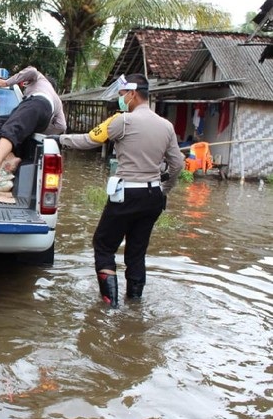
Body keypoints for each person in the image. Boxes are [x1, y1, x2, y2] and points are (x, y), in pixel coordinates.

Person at [54, 73, 184, 307]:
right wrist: (164, 190)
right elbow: (177, 165)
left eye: (122, 94)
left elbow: (88, 140)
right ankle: (134, 306)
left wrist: (59, 139)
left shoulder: (122, 121)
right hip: (153, 196)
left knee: (103, 246)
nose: (120, 99)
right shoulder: (166, 126)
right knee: (136, 252)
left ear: (133, 93)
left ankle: (110, 306)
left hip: (126, 195)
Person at [0, 65, 66, 179]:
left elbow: (31, 71)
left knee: (11, 128)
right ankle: (11, 158)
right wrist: (37, 129)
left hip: (36, 103)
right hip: (42, 118)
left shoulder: (41, 80)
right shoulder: (58, 101)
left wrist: (6, 83)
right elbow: (61, 125)